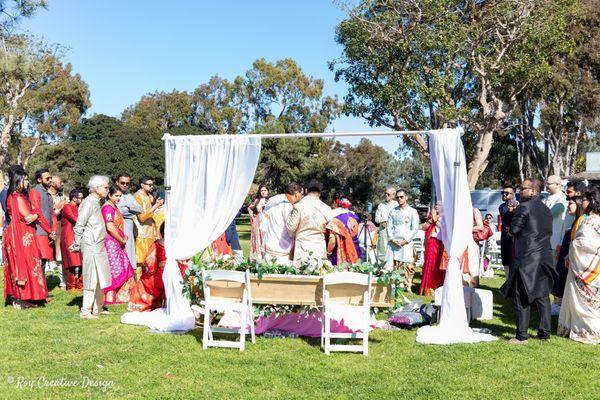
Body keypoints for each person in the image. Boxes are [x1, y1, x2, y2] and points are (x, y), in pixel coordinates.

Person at [500, 178, 555, 344]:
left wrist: (511, 215)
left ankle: (522, 336)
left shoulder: (524, 207)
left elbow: (514, 230)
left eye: (523, 189)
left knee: (520, 296)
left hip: (526, 258)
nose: (520, 191)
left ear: (533, 191)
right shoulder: (546, 209)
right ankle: (544, 333)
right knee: (542, 296)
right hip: (544, 257)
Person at [557, 186, 600, 344]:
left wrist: (572, 247)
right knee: (594, 302)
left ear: (592, 202)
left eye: (585, 199)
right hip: (595, 268)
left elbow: (583, 244)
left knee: (586, 303)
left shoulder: (588, 222)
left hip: (585, 268)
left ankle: (587, 331)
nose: (582, 202)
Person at [3, 166, 48, 308]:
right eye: (25, 180)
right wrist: (36, 213)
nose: (27, 183)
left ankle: (24, 298)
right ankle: (21, 298)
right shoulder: (17, 197)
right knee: (26, 264)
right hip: (21, 236)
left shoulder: (14, 196)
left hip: (20, 234)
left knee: (22, 265)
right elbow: (28, 217)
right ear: (18, 180)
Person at [71, 175, 112, 319]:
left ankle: (98, 308)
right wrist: (77, 244)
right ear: (96, 188)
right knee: (91, 278)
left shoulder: (96, 202)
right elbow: (79, 226)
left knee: (101, 277)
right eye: (105, 187)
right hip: (91, 245)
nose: (108, 190)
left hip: (99, 245)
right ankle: (85, 311)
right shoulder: (88, 203)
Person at [551, 180, 587, 315]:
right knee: (560, 275)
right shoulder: (572, 215)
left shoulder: (584, 218)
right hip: (565, 247)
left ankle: (562, 305)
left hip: (575, 254)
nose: (568, 199)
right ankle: (558, 303)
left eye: (571, 196)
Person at [285, 179, 333, 267]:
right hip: (319, 247)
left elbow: (290, 227)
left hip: (302, 247)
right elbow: (331, 232)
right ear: (320, 192)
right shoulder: (327, 208)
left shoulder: (299, 206)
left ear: (306, 190)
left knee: (301, 275)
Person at [101, 186, 136, 304]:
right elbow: (110, 227)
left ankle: (121, 296)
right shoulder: (107, 208)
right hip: (111, 243)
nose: (119, 198)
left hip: (117, 242)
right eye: (116, 195)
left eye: (120, 196)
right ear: (109, 195)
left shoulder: (114, 207)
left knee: (123, 266)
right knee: (114, 269)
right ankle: (110, 298)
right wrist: (121, 239)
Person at [260, 182, 302, 264]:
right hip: (281, 248)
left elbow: (263, 223)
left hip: (268, 243)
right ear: (296, 194)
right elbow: (291, 228)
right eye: (301, 195)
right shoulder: (287, 205)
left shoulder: (273, 199)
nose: (301, 198)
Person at [386, 189, 420, 293]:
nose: (399, 199)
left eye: (401, 197)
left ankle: (408, 285)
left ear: (406, 197)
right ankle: (395, 284)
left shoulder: (412, 211)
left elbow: (415, 228)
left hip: (406, 242)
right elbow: (389, 226)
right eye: (397, 197)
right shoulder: (393, 211)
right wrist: (392, 239)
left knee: (408, 265)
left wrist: (406, 240)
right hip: (394, 242)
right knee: (395, 264)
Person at [128, 223, 166, 312]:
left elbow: (150, 263)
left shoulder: (157, 244)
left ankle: (141, 304)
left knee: (145, 280)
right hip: (174, 274)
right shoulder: (178, 245)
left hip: (160, 275)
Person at [29, 168, 57, 276]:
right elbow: (38, 214)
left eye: (50, 178)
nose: (50, 180)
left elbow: (52, 214)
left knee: (44, 261)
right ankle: (39, 290)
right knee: (39, 261)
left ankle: (43, 290)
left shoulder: (48, 194)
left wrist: (53, 230)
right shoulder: (34, 192)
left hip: (48, 232)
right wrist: (49, 230)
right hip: (40, 231)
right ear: (39, 180)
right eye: (47, 178)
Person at [134, 176, 163, 275]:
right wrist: (155, 206)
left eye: (152, 184)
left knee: (149, 263)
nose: (152, 186)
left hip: (150, 234)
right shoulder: (137, 197)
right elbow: (141, 217)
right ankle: (138, 288)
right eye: (149, 185)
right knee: (140, 263)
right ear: (142, 185)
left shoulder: (148, 196)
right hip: (142, 235)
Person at [115, 173, 141, 268]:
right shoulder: (113, 195)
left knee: (130, 254)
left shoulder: (130, 196)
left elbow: (139, 209)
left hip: (129, 230)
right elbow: (118, 212)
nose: (125, 185)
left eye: (127, 183)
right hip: (118, 230)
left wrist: (128, 208)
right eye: (122, 183)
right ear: (117, 182)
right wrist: (131, 212)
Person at [326, 196, 362, 265]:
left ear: (336, 203)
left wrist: (328, 253)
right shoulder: (354, 216)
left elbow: (332, 239)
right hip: (355, 250)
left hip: (340, 253)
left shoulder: (334, 216)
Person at [60, 189, 84, 291]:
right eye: (80, 198)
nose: (82, 200)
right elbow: (75, 219)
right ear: (74, 198)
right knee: (71, 262)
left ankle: (80, 284)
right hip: (69, 236)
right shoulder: (67, 207)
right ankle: (71, 285)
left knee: (82, 261)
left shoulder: (79, 208)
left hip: (79, 236)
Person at [419, 204, 446, 296]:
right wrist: (430, 220)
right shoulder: (432, 216)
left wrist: (435, 218)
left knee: (438, 265)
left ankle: (439, 286)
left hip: (441, 243)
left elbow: (443, 227)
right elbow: (425, 227)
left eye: (439, 205)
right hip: (432, 241)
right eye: (436, 205)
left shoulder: (445, 216)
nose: (436, 206)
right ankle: (429, 287)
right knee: (430, 263)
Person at [49, 175, 69, 288]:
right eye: (60, 182)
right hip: (52, 227)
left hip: (63, 227)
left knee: (62, 253)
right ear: (52, 183)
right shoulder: (47, 196)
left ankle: (64, 279)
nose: (62, 184)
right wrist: (60, 207)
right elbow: (52, 212)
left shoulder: (62, 196)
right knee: (55, 254)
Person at [543, 175, 568, 258]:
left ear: (557, 184)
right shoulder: (546, 198)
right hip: (545, 242)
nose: (546, 185)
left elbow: (551, 213)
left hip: (555, 243)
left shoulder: (562, 198)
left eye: (548, 183)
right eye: (546, 183)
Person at [375, 186, 399, 264]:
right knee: (382, 249)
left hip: (393, 231)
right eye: (385, 193)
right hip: (383, 230)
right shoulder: (381, 205)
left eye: (388, 194)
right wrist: (382, 222)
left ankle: (392, 268)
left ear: (393, 195)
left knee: (393, 249)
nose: (386, 195)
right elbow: (376, 218)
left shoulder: (396, 205)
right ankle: (382, 267)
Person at [499, 182, 517, 275]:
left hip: (513, 238)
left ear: (513, 194)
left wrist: (514, 211)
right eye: (503, 192)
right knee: (505, 261)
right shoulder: (501, 206)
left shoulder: (516, 205)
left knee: (512, 261)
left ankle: (512, 285)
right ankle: (507, 283)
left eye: (507, 193)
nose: (504, 195)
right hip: (504, 237)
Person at [248, 184, 269, 261]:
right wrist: (252, 216)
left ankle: (267, 258)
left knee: (266, 240)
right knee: (258, 240)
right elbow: (250, 208)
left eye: (265, 190)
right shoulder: (257, 200)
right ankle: (257, 258)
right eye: (261, 190)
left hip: (267, 223)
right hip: (258, 223)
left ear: (268, 191)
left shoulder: (270, 200)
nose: (263, 192)